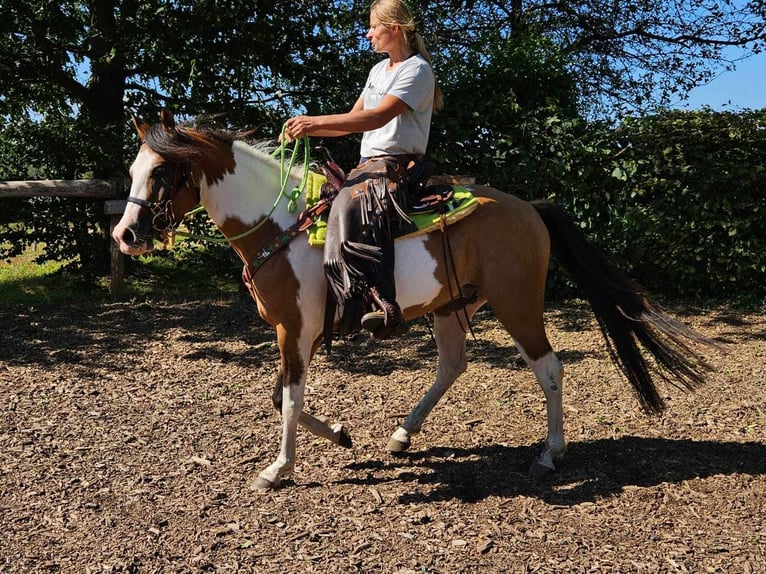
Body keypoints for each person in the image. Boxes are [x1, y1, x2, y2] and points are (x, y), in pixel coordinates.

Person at [283, 0, 442, 340]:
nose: (368, 34)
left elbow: (376, 117)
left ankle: (382, 303)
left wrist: (313, 122)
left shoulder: (416, 70)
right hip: (366, 165)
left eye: (373, 26)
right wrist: (306, 128)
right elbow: (351, 122)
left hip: (393, 164)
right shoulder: (377, 72)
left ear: (394, 29)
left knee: (348, 204)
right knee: (322, 198)